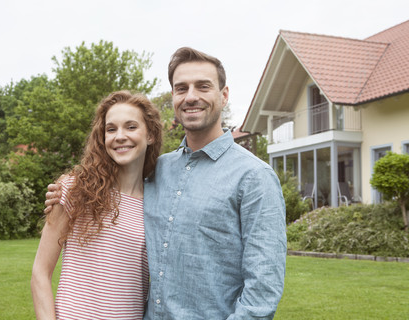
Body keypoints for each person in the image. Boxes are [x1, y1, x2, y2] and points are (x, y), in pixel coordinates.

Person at [46, 47, 286, 320]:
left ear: (224, 95)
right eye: (181, 88)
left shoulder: (255, 177)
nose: (191, 96)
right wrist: (67, 190)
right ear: (173, 97)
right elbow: (113, 179)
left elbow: (262, 291)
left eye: (203, 86)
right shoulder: (157, 170)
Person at [31, 90, 162, 320]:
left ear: (150, 134)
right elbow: (40, 273)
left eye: (131, 127)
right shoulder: (74, 189)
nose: (119, 136)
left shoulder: (159, 203)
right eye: (111, 129)